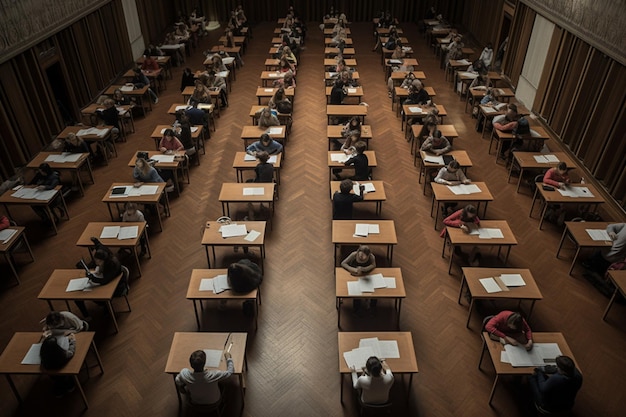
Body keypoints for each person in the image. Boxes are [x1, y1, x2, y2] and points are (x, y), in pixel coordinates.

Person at [75, 237, 124, 319]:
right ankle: (87, 316)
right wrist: (96, 241)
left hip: (116, 285)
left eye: (99, 261)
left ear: (104, 260)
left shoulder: (112, 265)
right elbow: (100, 246)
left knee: (94, 295)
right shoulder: (104, 253)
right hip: (103, 278)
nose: (96, 263)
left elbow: (105, 281)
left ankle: (106, 306)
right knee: (78, 297)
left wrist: (92, 278)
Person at [341, 245, 377, 313]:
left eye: (363, 257)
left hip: (366, 276)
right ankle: (357, 309)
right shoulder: (353, 255)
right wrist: (353, 269)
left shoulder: (371, 257)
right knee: (357, 293)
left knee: (374, 292)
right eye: (360, 256)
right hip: (354, 275)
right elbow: (343, 263)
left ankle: (372, 308)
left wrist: (364, 269)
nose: (361, 258)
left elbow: (373, 265)